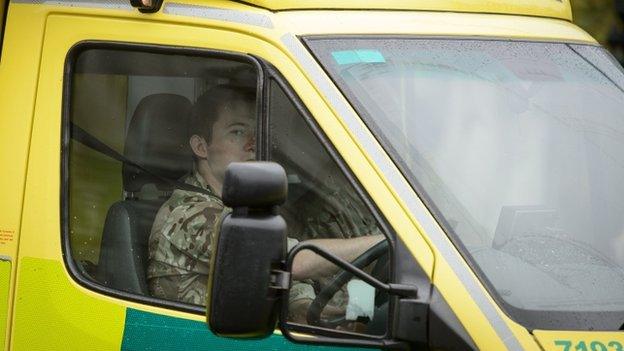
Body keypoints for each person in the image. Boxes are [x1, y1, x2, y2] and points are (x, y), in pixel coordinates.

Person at [147, 84, 384, 308]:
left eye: (256, 133)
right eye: (237, 132)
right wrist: (385, 243)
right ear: (201, 147)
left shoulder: (242, 209)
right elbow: (296, 261)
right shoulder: (192, 215)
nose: (253, 143)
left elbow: (282, 280)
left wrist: (304, 308)